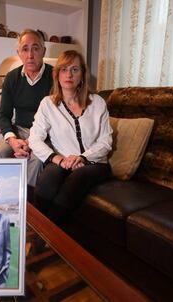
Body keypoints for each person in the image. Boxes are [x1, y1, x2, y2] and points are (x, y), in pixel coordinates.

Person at [28, 50, 113, 226]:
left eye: (75, 69)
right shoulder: (48, 104)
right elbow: (34, 139)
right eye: (64, 69)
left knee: (76, 180)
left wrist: (83, 157)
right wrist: (56, 159)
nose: (69, 74)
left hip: (95, 163)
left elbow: (106, 141)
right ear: (57, 74)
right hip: (63, 161)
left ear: (82, 74)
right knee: (47, 178)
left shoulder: (97, 102)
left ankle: (45, 237)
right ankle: (37, 230)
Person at [0, 29, 53, 187]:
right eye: (25, 49)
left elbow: (57, 118)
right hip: (18, 131)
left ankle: (26, 204)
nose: (30, 55)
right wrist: (12, 140)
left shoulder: (55, 77)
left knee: (37, 160)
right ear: (18, 53)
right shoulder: (11, 78)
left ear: (43, 51)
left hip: (45, 134)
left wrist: (32, 141)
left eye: (35, 48)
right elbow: (4, 115)